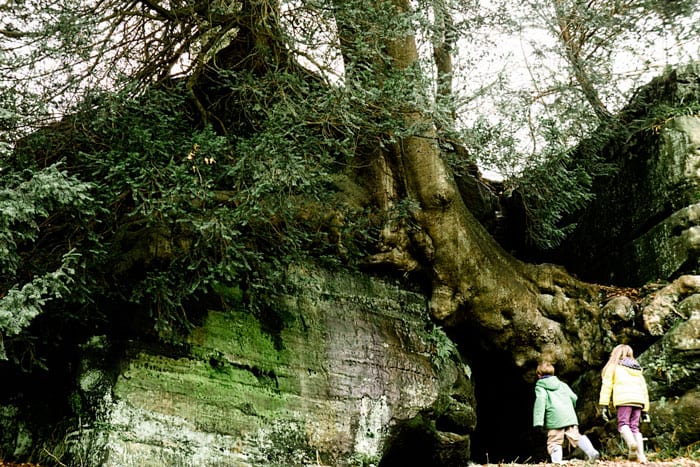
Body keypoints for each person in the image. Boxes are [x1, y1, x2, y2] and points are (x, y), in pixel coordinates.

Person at [533, 361, 600, 463]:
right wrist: (568, 408)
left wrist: (538, 421)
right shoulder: (562, 384)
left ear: (539, 375)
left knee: (555, 440)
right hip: (569, 416)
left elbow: (540, 401)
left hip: (554, 418)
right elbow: (574, 397)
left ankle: (557, 462)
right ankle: (591, 451)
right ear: (553, 373)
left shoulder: (540, 387)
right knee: (576, 437)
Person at [598, 344, 650, 464]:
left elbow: (607, 386)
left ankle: (631, 443)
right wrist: (645, 410)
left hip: (624, 400)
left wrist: (604, 405)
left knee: (623, 424)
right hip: (639, 401)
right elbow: (644, 390)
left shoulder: (613, 366)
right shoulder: (637, 369)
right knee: (635, 427)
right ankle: (641, 456)